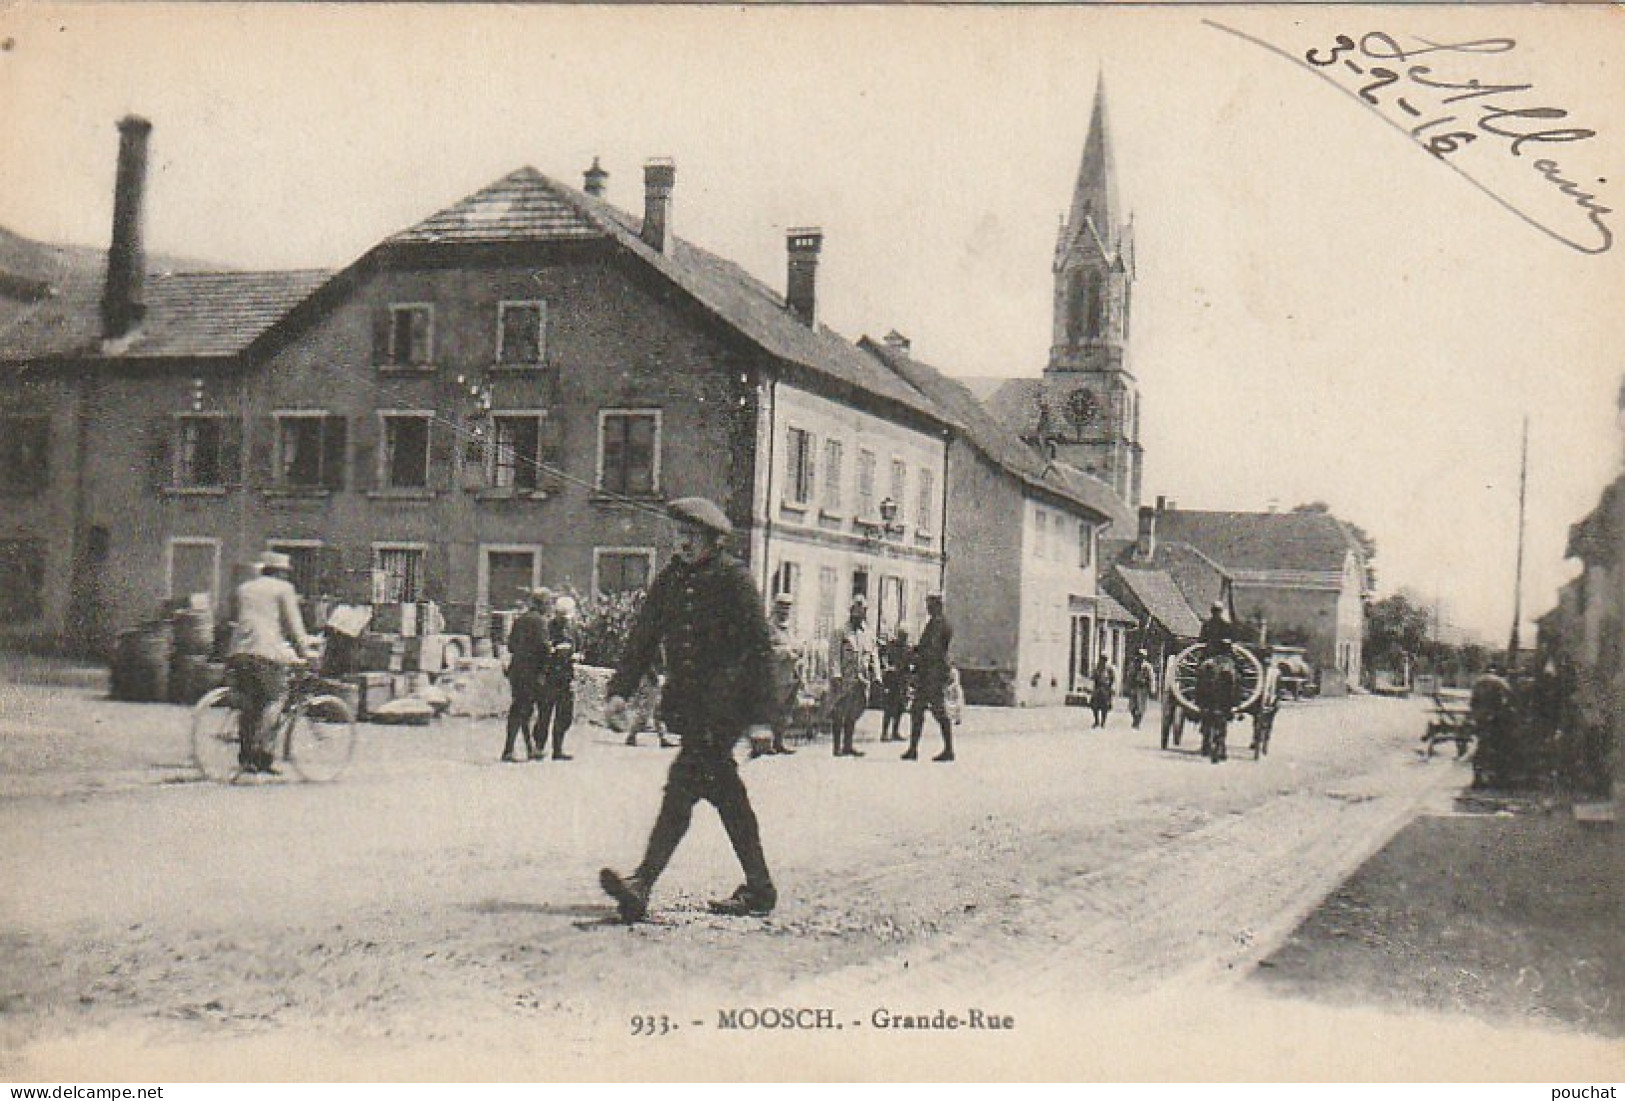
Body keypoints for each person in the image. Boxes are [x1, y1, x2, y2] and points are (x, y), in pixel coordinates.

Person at [598, 497, 778, 922]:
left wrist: (761, 718)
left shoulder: (733, 580)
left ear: (713, 541)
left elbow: (759, 650)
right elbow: (642, 638)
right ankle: (760, 887)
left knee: (682, 788)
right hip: (692, 709)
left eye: (691, 536)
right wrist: (620, 691)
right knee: (726, 797)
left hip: (726, 709)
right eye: (679, 535)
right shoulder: (672, 580)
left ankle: (642, 884)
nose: (683, 544)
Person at [224, 551, 314, 775]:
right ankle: (262, 753)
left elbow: (236, 619)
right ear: (282, 572)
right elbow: (294, 625)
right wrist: (306, 651)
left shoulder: (245, 588)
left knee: (249, 704)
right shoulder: (283, 589)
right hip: (265, 652)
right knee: (276, 698)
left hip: (239, 651)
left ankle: (246, 759)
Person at [903, 592, 955, 762]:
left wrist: (917, 655)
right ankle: (913, 749)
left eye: (930, 605)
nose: (928, 608)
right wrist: (916, 650)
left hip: (933, 674)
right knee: (918, 710)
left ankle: (948, 749)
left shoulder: (939, 624)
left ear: (938, 605)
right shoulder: (934, 623)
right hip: (929, 674)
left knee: (937, 711)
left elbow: (934, 650)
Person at [502, 587, 552, 762]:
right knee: (524, 710)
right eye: (548, 602)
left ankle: (527, 748)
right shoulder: (541, 622)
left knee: (521, 708)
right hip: (531, 672)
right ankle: (510, 750)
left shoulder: (520, 620)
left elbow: (510, 646)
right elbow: (544, 648)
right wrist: (544, 671)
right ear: (543, 604)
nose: (550, 606)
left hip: (516, 670)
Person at [828, 596, 881, 758]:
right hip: (845, 678)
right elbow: (834, 655)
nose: (859, 617)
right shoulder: (841, 631)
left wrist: (877, 676)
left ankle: (848, 745)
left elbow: (874, 656)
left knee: (855, 712)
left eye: (863, 613)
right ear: (851, 612)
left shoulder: (868, 633)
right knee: (839, 710)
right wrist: (836, 674)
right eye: (856, 613)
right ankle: (837, 746)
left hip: (861, 679)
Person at [755, 593, 801, 758]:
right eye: (782, 606)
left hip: (791, 674)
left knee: (786, 711)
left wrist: (798, 650)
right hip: (775, 675)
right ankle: (766, 744)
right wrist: (786, 653)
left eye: (788, 607)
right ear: (775, 607)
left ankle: (780, 741)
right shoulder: (768, 627)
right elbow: (765, 650)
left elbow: (797, 643)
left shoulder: (791, 627)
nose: (785, 610)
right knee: (772, 709)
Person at [535, 594, 580, 761]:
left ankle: (558, 749)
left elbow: (580, 648)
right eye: (562, 617)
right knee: (544, 714)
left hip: (566, 677)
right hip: (550, 676)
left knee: (564, 715)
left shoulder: (573, 629)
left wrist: (577, 655)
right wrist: (553, 651)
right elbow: (542, 649)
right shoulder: (548, 627)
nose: (565, 621)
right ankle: (538, 747)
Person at [879, 626, 914, 743]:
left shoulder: (907, 649)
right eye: (902, 635)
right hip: (891, 680)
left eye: (905, 636)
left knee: (900, 708)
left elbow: (910, 663)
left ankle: (895, 731)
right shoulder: (891, 646)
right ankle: (884, 733)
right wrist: (888, 668)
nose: (904, 638)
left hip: (902, 682)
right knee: (889, 708)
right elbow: (884, 659)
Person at [1252, 645, 1281, 754]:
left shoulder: (1275, 672)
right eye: (1265, 658)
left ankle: (1265, 742)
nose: (1267, 660)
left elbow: (1279, 689)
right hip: (1259, 699)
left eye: (1269, 657)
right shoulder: (1257, 671)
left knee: (1268, 723)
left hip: (1271, 700)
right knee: (1257, 721)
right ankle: (1256, 739)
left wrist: (1275, 700)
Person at [1160, 647, 1186, 749]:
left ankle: (1176, 736)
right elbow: (1168, 677)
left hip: (1182, 690)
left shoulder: (1187, 661)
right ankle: (1164, 739)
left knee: (1178, 717)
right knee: (1167, 715)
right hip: (1170, 690)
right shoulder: (1171, 660)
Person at [1128, 648, 1157, 729]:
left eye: (1142, 656)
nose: (1140, 658)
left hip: (1143, 688)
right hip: (1134, 687)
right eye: (1139, 656)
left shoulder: (1147, 666)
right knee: (1132, 706)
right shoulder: (1133, 665)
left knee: (1141, 707)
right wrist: (1128, 686)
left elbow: (1152, 678)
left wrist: (1152, 689)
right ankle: (1135, 719)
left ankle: (1137, 723)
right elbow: (1129, 676)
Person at [1089, 652, 1118, 728]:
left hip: (1106, 689)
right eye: (1101, 659)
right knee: (1094, 706)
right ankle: (1096, 721)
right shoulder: (1097, 668)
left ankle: (1103, 722)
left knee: (1105, 706)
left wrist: (1111, 688)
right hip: (1098, 688)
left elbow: (1113, 679)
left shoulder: (1109, 668)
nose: (1102, 661)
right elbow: (1092, 677)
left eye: (1104, 659)